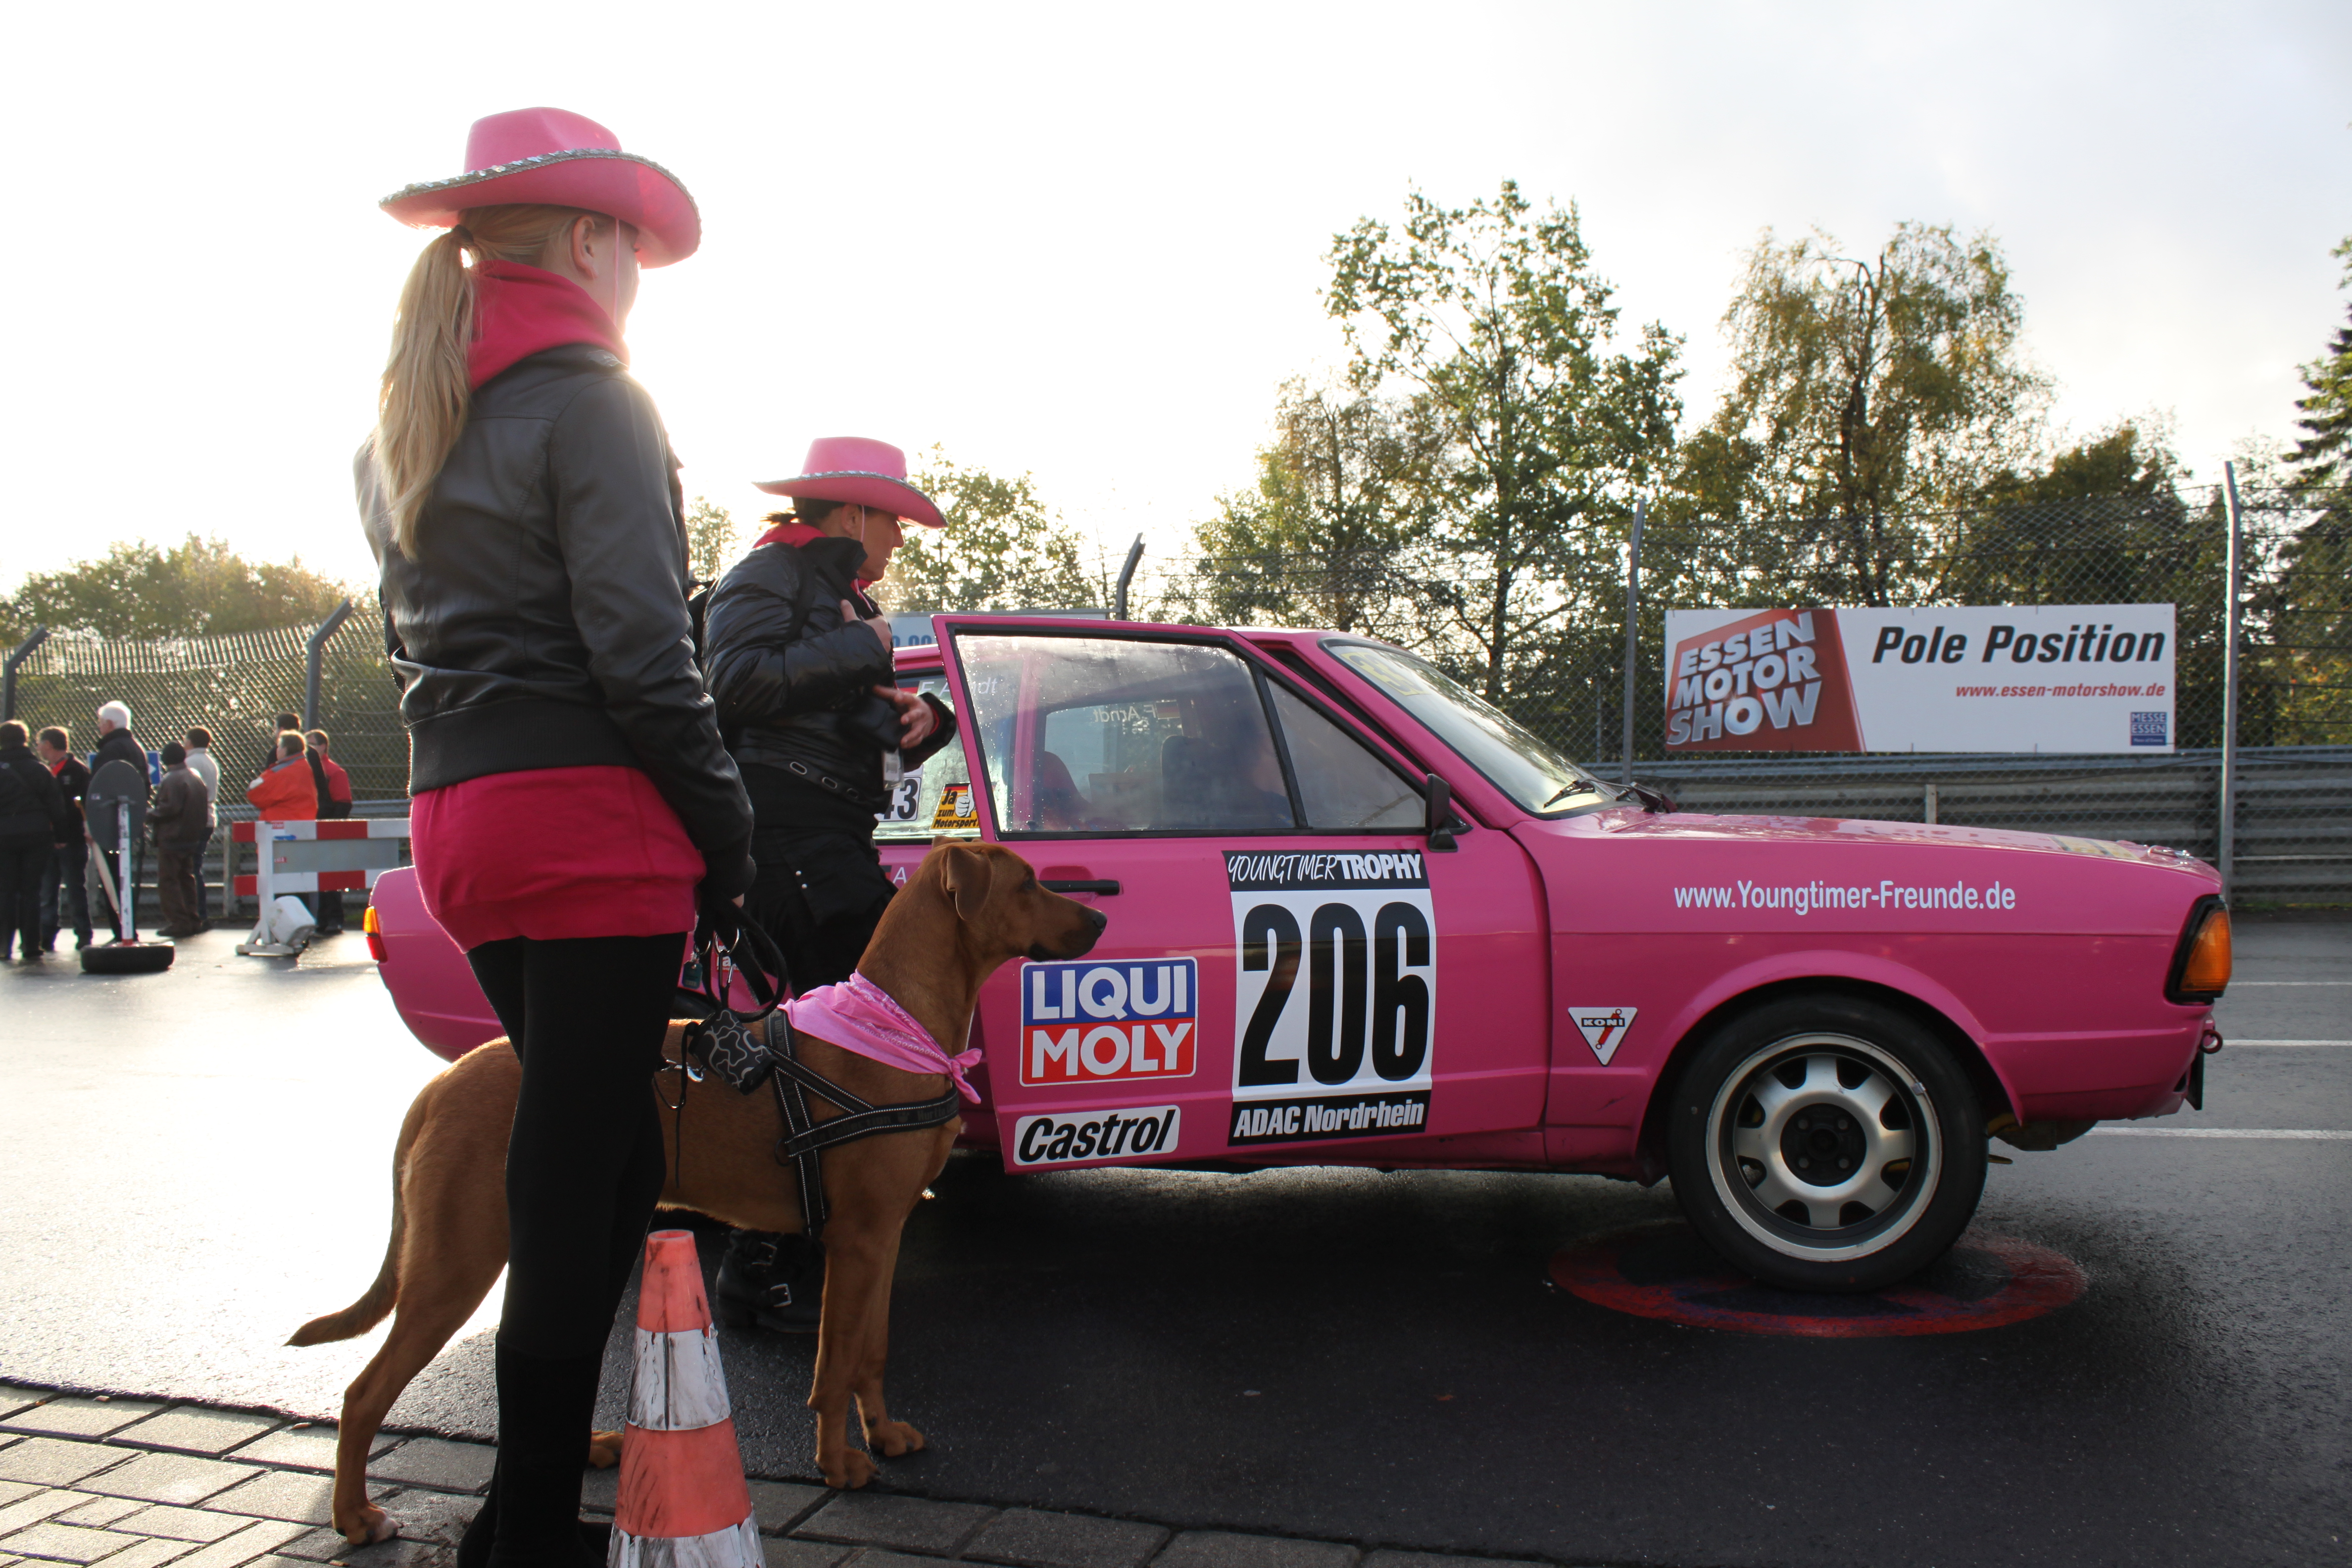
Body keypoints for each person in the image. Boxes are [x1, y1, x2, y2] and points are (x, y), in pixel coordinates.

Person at [361, 106, 750, 1568]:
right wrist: (730, 832)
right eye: (633, 252)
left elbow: (428, 656)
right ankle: (523, 1535)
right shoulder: (596, 399)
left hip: (463, 823)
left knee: (595, 1167)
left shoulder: (405, 417)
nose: (638, 279)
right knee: (573, 1175)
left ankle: (524, 1519)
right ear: (589, 243)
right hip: (591, 826)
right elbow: (649, 664)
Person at [702, 436, 957, 1333]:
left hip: (826, 831)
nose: (899, 537)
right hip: (787, 832)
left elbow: (850, 731)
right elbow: (733, 683)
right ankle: (756, 1262)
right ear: (851, 511)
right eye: (892, 519)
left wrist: (928, 721)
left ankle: (778, 1254)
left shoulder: (834, 595)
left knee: (838, 1038)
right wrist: (873, 647)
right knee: (844, 1036)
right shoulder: (769, 574)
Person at [0, 721, 75, 960]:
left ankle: (3, 945)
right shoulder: (39, 769)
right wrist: (61, 837)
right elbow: (57, 806)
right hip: (36, 834)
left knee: (6, 891)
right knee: (32, 891)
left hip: (4, 835)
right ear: (26, 740)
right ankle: (32, 945)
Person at [86, 702, 147, 940]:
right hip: (130, 822)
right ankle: (128, 927)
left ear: (109, 725)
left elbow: (99, 788)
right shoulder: (136, 749)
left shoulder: (110, 751)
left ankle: (121, 929)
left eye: (101, 724)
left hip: (110, 824)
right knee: (125, 877)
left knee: (111, 878)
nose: (99, 728)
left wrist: (94, 821)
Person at [35, 727, 92, 952]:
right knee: (47, 890)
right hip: (50, 841)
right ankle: (46, 934)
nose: (38, 747)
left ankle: (83, 934)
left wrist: (70, 834)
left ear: (48, 745)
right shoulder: (44, 771)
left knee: (75, 888)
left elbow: (80, 805)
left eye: (40, 743)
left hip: (72, 841)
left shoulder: (77, 771)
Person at [149, 741, 211, 937]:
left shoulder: (171, 780)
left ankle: (179, 921)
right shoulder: (195, 777)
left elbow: (169, 809)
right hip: (191, 837)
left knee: (168, 881)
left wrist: (148, 814)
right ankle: (193, 919)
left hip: (172, 837)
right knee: (187, 878)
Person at [306, 729, 354, 934]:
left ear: (323, 746)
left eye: (312, 745)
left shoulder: (333, 771)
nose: (307, 749)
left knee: (330, 876)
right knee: (318, 876)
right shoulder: (307, 770)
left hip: (327, 830)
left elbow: (344, 804)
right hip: (311, 829)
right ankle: (321, 919)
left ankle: (334, 917)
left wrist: (330, 828)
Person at [183, 727, 220, 924]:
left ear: (190, 742)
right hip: (208, 817)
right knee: (197, 866)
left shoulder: (190, 762)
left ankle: (196, 913)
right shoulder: (210, 762)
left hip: (194, 819)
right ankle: (201, 913)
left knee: (191, 868)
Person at [246, 732, 320, 821]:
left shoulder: (281, 771)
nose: (277, 750)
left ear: (285, 749)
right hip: (305, 821)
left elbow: (254, 793)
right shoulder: (305, 767)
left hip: (281, 825)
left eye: (279, 746)